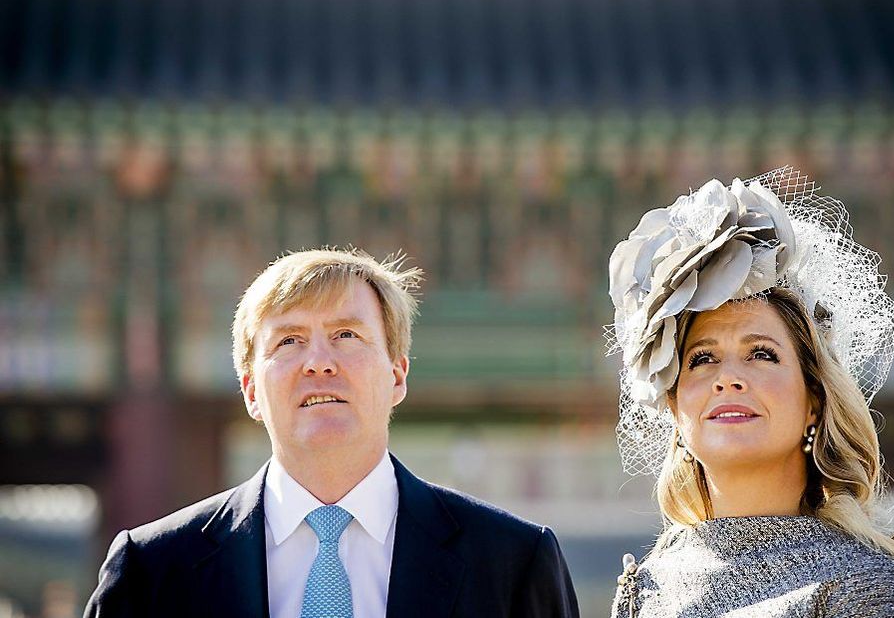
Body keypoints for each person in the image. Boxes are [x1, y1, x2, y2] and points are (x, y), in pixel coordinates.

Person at [85, 248, 579, 618]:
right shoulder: (152, 571)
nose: (319, 363)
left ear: (397, 374)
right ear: (251, 390)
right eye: (290, 341)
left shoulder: (512, 562)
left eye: (347, 335)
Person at [606, 168, 894, 617]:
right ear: (675, 406)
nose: (727, 379)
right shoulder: (646, 586)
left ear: (814, 400)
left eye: (761, 354)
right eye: (702, 359)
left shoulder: (864, 582)